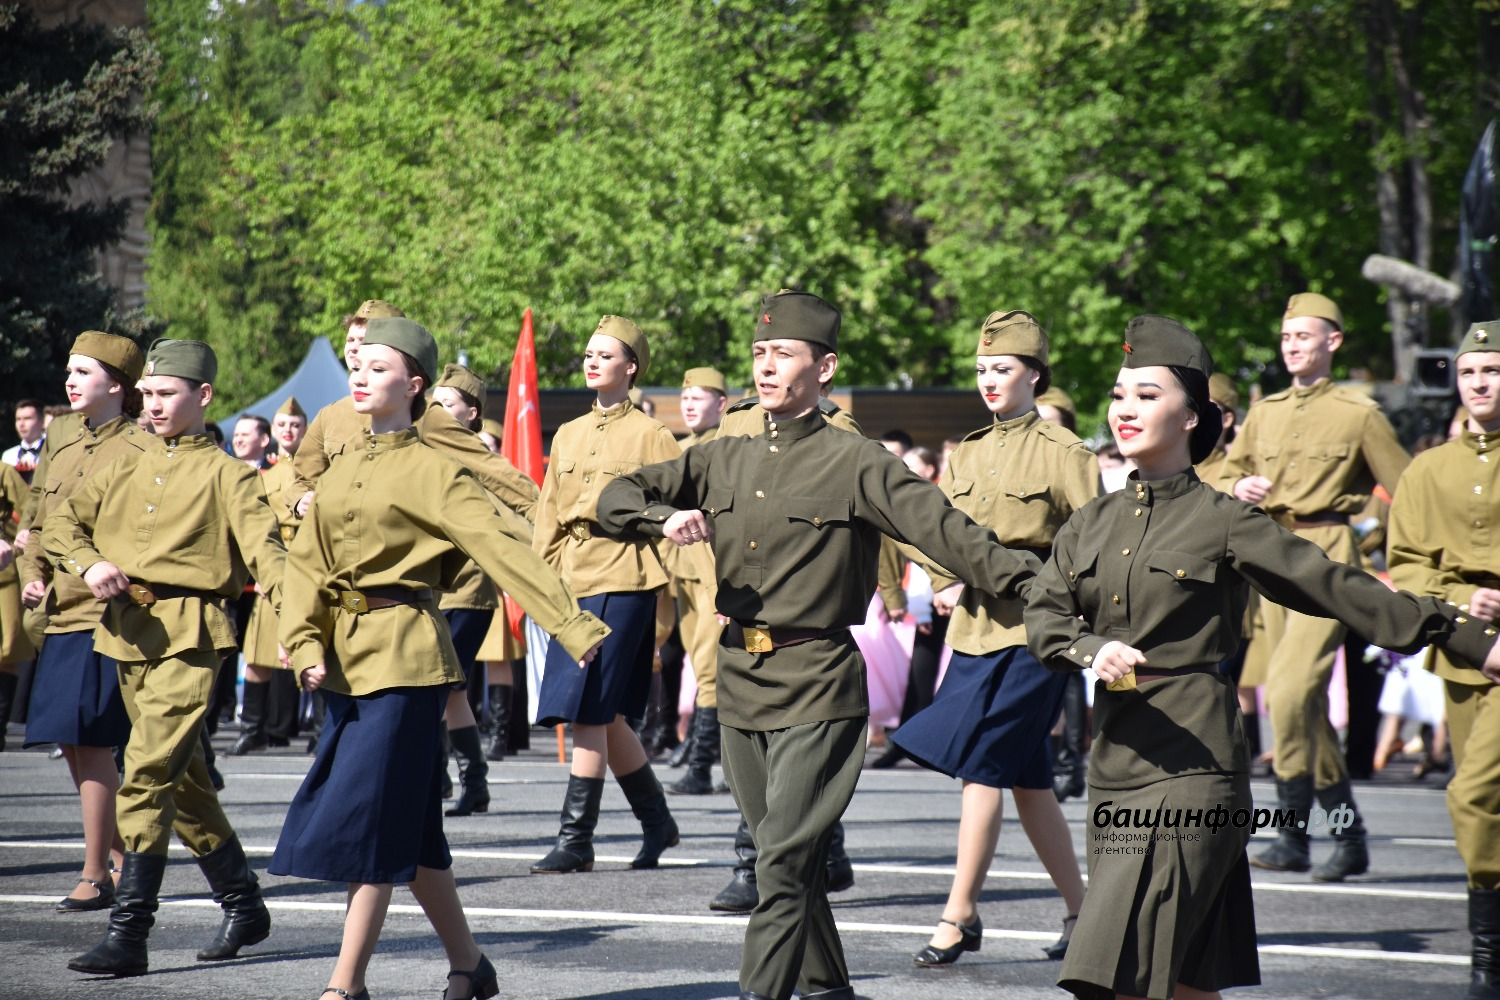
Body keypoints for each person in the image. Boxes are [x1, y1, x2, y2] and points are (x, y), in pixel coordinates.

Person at [1023, 314, 1500, 1000]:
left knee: (1122, 972)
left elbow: (1337, 587)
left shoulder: (1223, 519)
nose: (1125, 408)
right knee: (1186, 979)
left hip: (1195, 767)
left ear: (1193, 417)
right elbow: (1044, 614)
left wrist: (1470, 640)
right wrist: (1090, 648)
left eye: (1148, 395)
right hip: (1117, 767)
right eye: (1120, 393)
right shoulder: (1091, 522)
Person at [596, 289, 1041, 1000]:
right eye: (760, 353)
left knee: (777, 862)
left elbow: (953, 535)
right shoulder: (722, 457)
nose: (766, 366)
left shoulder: (859, 462)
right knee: (792, 865)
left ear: (825, 367)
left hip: (817, 682)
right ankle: (830, 990)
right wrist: (661, 517)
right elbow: (613, 498)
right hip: (740, 679)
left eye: (784, 354)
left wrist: (1049, 585)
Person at [271, 317, 606, 1000]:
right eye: (356, 366)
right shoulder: (341, 468)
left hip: (407, 663)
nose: (359, 375)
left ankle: (345, 986)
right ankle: (470, 966)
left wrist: (573, 626)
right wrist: (304, 640)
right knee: (416, 834)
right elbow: (307, 565)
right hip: (343, 664)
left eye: (378, 367)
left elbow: (503, 548)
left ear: (414, 384)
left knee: (371, 819)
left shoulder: (434, 469)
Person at [44, 338, 288, 976]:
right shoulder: (121, 464)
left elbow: (271, 560)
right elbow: (61, 523)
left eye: (166, 394)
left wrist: (305, 629)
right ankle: (244, 901)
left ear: (203, 396)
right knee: (184, 784)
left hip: (192, 633)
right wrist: (88, 562)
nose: (152, 406)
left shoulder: (232, 476)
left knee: (147, 773)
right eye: (147, 394)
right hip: (126, 631)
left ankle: (130, 933)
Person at [891, 310, 1096, 967]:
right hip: (977, 627)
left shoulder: (1067, 453)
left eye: (1002, 369)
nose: (989, 380)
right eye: (981, 370)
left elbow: (1091, 545)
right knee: (1028, 781)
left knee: (980, 766)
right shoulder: (969, 451)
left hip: (1037, 631)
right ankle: (1083, 913)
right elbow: (935, 525)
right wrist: (943, 578)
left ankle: (959, 914)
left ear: (1034, 375)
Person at [1218, 292, 1411, 881]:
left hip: (1327, 556)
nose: (1293, 347)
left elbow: (1410, 489)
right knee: (1303, 708)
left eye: (1305, 336)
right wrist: (1239, 485)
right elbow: (1227, 467)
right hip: (1270, 556)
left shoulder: (1359, 413)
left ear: (1333, 342)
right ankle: (1347, 835)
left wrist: (1387, 558)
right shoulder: (1266, 411)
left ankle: (1293, 831)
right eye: (1286, 338)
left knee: (1289, 691)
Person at [529, 315, 683, 874]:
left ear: (632, 367)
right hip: (573, 576)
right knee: (608, 713)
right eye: (588, 353)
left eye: (605, 354)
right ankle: (657, 821)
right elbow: (548, 515)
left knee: (590, 709)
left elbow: (678, 513)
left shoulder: (653, 435)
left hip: (626, 575)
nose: (591, 361)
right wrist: (539, 587)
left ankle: (576, 839)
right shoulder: (568, 432)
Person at [1387, 319, 1500, 999]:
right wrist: (1463, 598)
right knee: (1482, 803)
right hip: (1463, 652)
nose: (1480, 383)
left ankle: (1487, 962)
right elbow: (1406, 567)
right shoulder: (1429, 470)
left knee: (1474, 792)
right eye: (1469, 373)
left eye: (1492, 370)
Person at [18, 334, 146, 908]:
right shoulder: (63, 447)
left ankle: (97, 872)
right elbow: (37, 525)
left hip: (105, 615)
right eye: (68, 370)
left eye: (84, 372)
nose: (69, 381)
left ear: (116, 385)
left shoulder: (140, 448)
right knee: (71, 745)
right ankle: (119, 854)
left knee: (91, 742)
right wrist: (31, 572)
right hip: (61, 612)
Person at [430, 362, 515, 816]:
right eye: (434, 403)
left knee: (439, 685)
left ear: (472, 412)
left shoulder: (481, 457)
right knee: (451, 689)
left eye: (448, 404)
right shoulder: (422, 447)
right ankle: (469, 780)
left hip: (468, 587)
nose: (437, 411)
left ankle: (438, 774)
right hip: (429, 586)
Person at [230, 397, 308, 756]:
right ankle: (252, 728)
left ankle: (319, 731)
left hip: (307, 569)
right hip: (272, 571)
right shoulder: (263, 475)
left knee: (311, 650)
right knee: (259, 653)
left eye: (295, 425)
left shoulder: (315, 471)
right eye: (282, 425)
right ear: (272, 433)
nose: (288, 431)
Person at [665, 366, 730, 794]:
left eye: (699, 397)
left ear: (722, 404)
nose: (689, 403)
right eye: (685, 397)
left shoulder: (727, 449)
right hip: (680, 573)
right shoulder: (677, 447)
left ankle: (702, 766)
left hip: (713, 574)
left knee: (708, 669)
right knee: (693, 663)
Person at [3, 399, 46, 483]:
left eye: (27, 418)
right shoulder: (8, 456)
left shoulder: (52, 451)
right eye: (18, 419)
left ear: (42, 422)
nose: (21, 424)